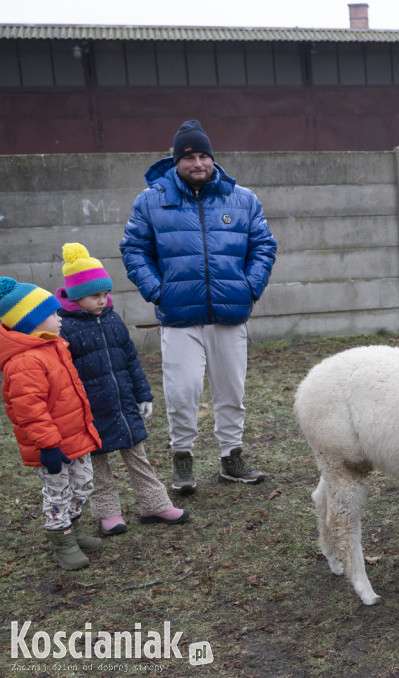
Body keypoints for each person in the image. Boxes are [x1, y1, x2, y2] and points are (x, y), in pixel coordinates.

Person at [120, 119, 277, 494]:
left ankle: (231, 458)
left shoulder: (242, 199)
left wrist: (249, 287)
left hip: (230, 314)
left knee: (231, 391)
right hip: (178, 318)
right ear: (176, 161)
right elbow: (133, 250)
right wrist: (159, 292)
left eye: (204, 155)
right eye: (189, 157)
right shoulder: (151, 200)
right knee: (183, 390)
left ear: (213, 158)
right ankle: (182, 459)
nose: (198, 163)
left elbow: (263, 246)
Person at [57, 242, 190, 536]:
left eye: (105, 293)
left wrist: (143, 393)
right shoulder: (64, 329)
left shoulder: (114, 320)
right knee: (98, 467)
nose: (103, 300)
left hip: (124, 405)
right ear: (77, 297)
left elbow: (130, 359)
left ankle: (154, 505)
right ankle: (108, 514)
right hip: (90, 411)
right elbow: (63, 375)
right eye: (95, 296)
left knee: (138, 458)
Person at [0, 276, 103, 570]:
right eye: (53, 315)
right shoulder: (23, 362)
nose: (60, 319)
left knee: (83, 485)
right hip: (52, 445)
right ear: (31, 322)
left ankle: (75, 528)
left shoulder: (54, 348)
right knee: (58, 493)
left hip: (75, 437)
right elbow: (29, 410)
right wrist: (47, 445)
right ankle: (63, 541)